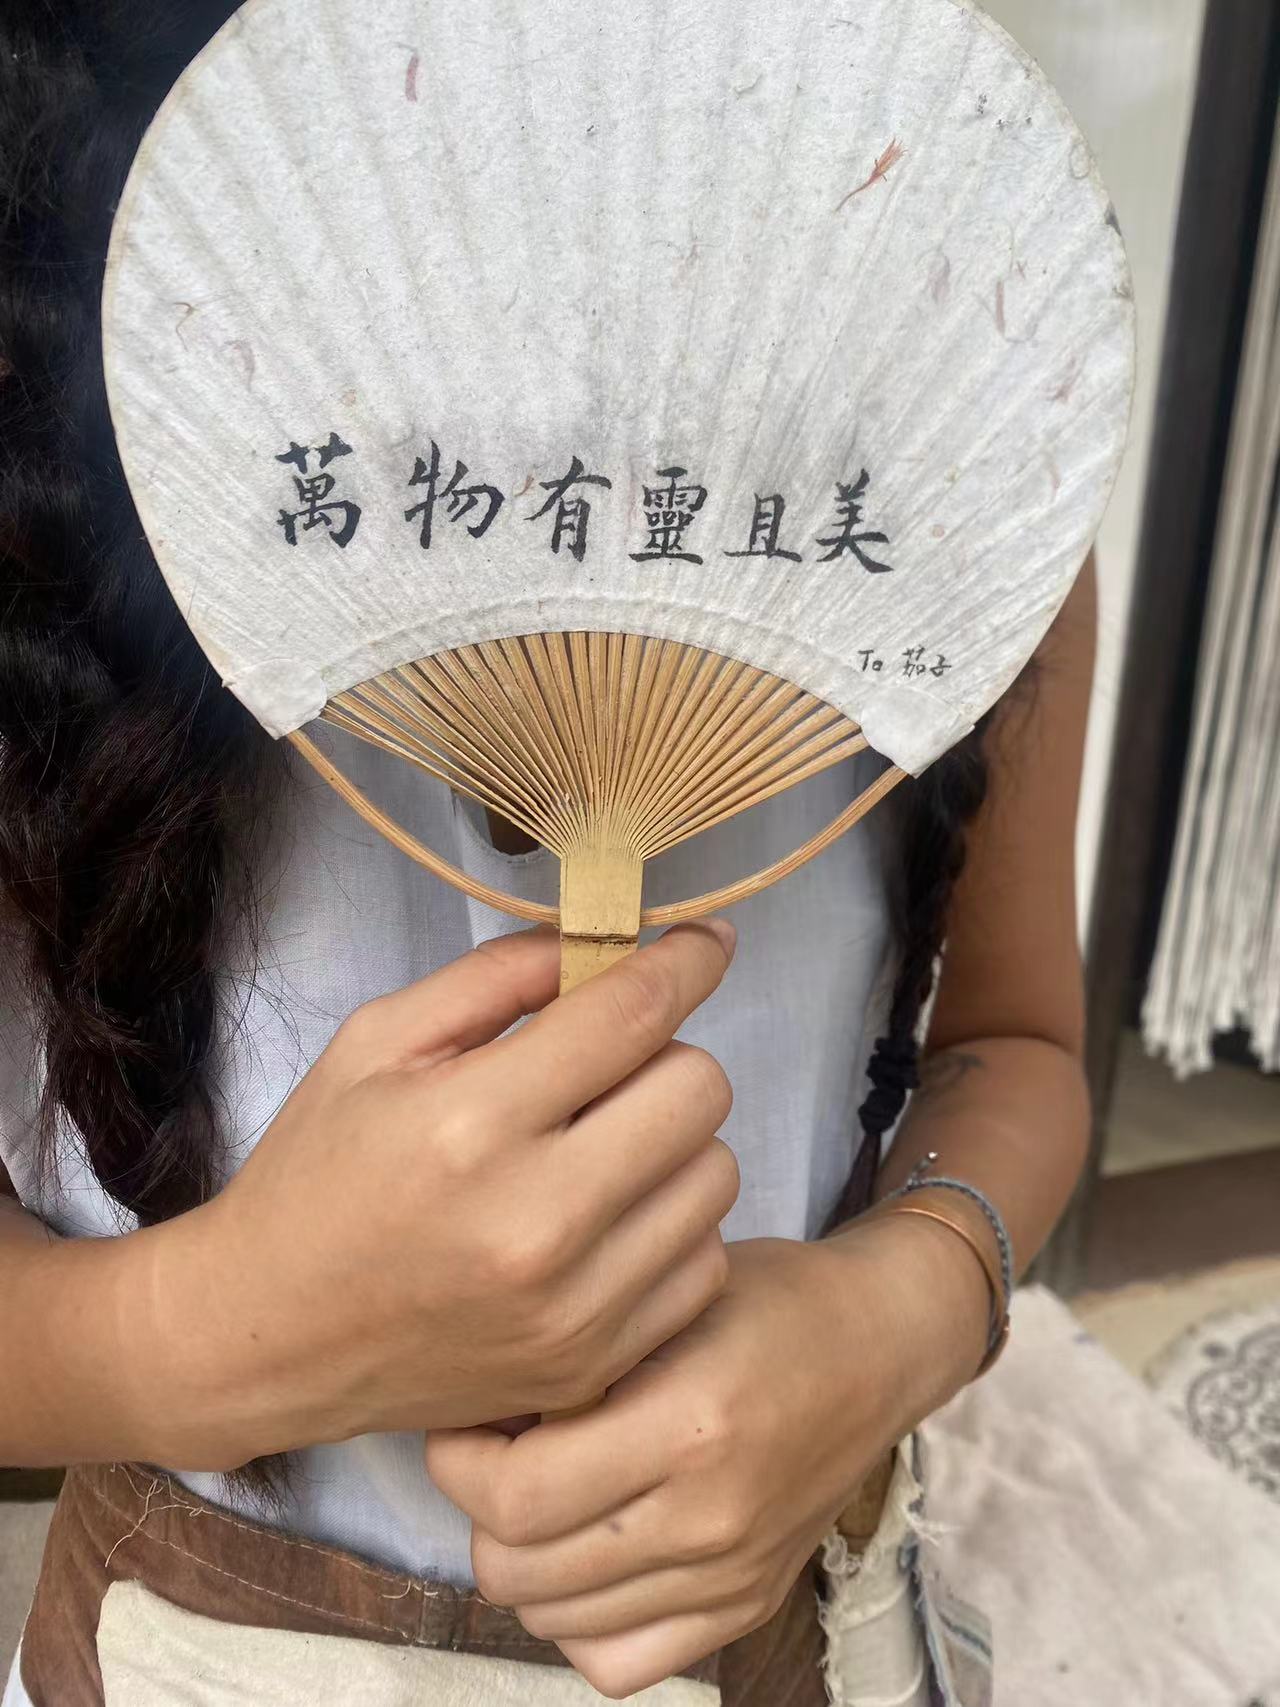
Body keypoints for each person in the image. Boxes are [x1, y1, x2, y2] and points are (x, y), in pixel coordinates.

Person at [0, 5, 1093, 1704]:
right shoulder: (46, 427)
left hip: (795, 1631)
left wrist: (900, 1315)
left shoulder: (955, 442)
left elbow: (1017, 1043)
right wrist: (211, 1329)